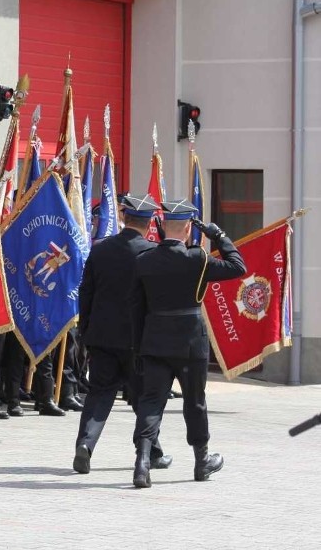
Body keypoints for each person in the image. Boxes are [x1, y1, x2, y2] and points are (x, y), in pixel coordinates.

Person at [130, 199, 246, 488]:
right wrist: (218, 236)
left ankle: (142, 462)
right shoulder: (197, 258)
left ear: (161, 226)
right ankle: (201, 460)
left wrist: (138, 344)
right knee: (195, 401)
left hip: (155, 338)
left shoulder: (144, 260)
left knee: (151, 401)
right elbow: (237, 266)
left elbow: (136, 307)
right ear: (187, 229)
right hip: (191, 341)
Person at [72, 194, 173, 475]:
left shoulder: (101, 249)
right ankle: (151, 452)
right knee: (145, 398)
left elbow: (86, 292)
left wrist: (86, 330)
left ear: (124, 217)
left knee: (99, 394)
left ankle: (86, 444)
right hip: (137, 340)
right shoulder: (151, 253)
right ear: (149, 222)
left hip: (102, 336)